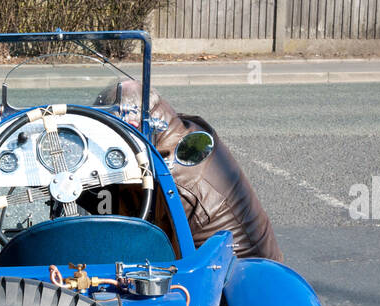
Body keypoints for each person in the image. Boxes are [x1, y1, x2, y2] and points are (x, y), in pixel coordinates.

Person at [95, 79, 282, 261]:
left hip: (232, 275)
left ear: (133, 126)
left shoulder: (171, 179)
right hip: (235, 261)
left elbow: (143, 244)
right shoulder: (172, 126)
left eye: (108, 130)